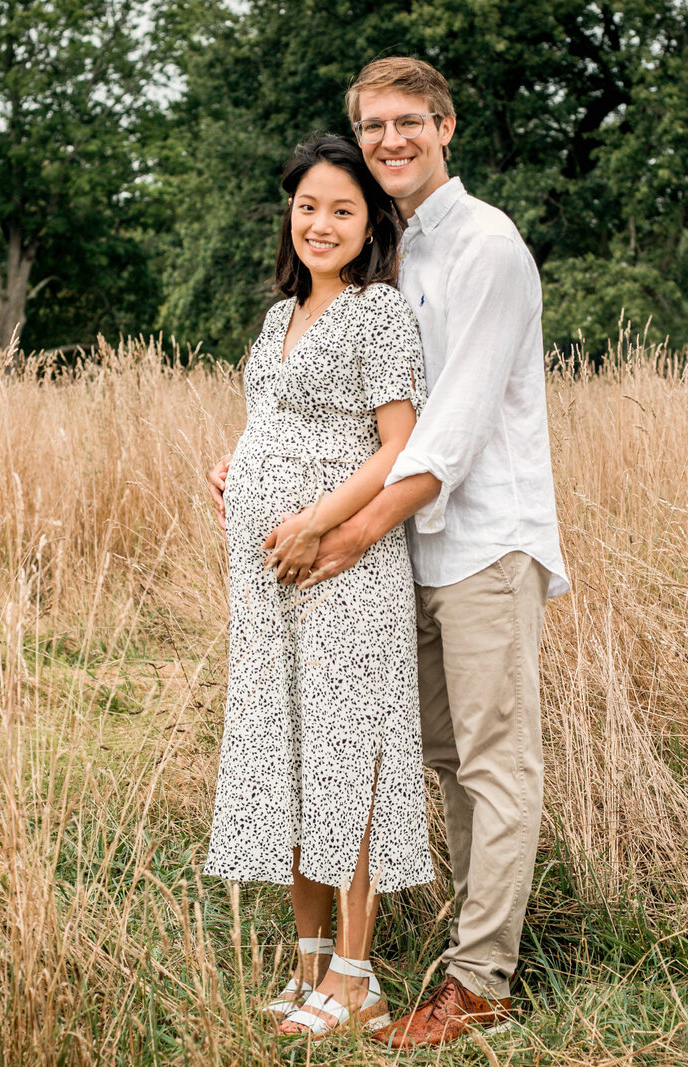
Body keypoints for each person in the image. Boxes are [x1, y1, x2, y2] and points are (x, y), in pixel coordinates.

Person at [209, 58, 569, 1049]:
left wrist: (344, 530)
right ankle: (403, 951)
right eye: (373, 125)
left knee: (493, 762)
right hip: (404, 549)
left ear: (446, 125)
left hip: (483, 536)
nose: (390, 140)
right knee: (438, 755)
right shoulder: (392, 248)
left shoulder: (486, 247)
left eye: (409, 121)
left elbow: (438, 434)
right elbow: (329, 407)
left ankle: (478, 981)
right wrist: (252, 473)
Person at [201, 133, 434, 1041]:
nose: (322, 224)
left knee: (349, 755)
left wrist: (315, 522)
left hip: (345, 569)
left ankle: (357, 973)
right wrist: (234, 470)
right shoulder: (277, 317)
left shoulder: (378, 314)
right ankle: (306, 966)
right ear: (288, 215)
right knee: (290, 752)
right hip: (266, 581)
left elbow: (399, 443)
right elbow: (272, 423)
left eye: (343, 208)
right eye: (308, 207)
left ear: (369, 220)